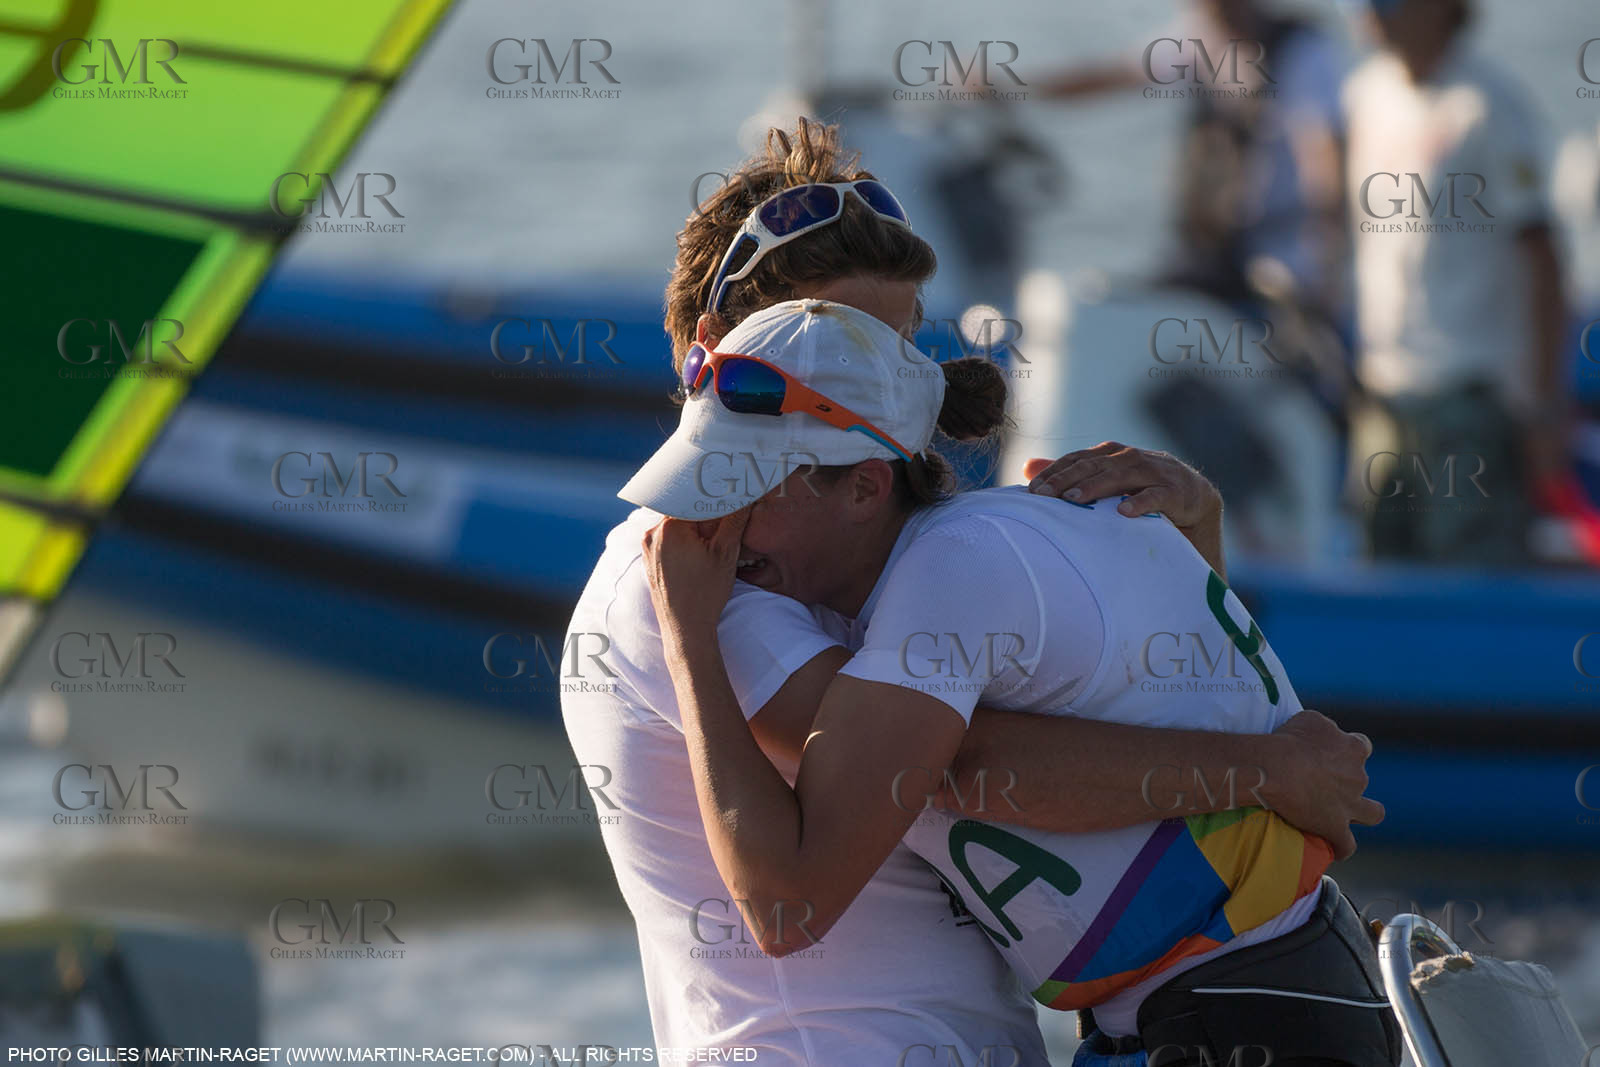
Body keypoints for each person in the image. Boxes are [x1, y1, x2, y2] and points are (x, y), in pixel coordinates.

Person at [562, 119, 1383, 1065]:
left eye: (905, 340)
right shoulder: (703, 570)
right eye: (843, 337)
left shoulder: (907, 554)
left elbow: (1107, 697)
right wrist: (1267, 770)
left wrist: (1191, 535)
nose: (898, 373)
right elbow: (964, 763)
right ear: (715, 349)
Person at [1342, 0, 1571, 563]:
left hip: (1470, 401)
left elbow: (1543, 258)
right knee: (1379, 568)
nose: (1371, 13)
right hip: (1382, 390)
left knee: (1471, 570)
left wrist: (1544, 409)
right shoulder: (1365, 93)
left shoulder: (1489, 107)